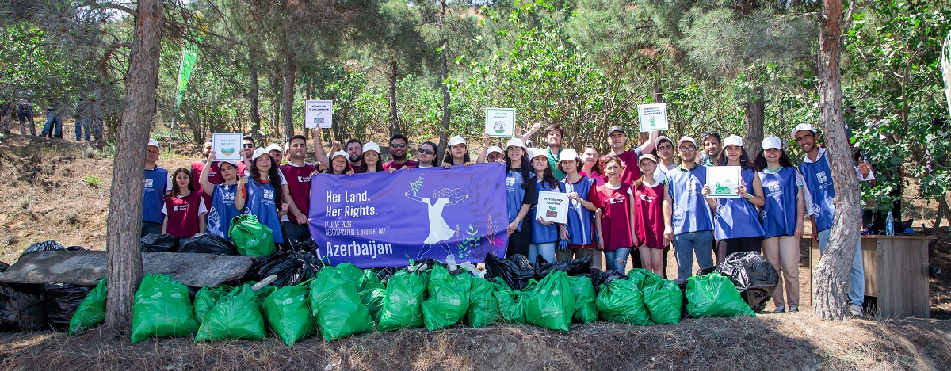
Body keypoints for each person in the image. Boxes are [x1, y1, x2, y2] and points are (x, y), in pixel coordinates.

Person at [794, 123, 866, 316]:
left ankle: (856, 304)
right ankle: (837, 302)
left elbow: (854, 175)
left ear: (815, 137)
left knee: (854, 262)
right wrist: (814, 224)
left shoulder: (832, 154)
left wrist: (864, 173)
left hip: (845, 218)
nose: (804, 142)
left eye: (807, 137)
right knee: (829, 264)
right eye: (799, 139)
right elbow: (809, 197)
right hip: (824, 219)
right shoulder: (801, 169)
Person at [754, 136, 806, 313]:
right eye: (769, 150)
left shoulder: (792, 172)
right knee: (773, 267)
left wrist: (800, 223)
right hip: (768, 226)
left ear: (781, 152)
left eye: (775, 150)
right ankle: (779, 304)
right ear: (763, 153)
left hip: (789, 226)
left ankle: (794, 304)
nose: (772, 153)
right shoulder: (759, 176)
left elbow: (800, 199)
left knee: (790, 267)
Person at [701, 135, 766, 265]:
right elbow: (715, 206)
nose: (733, 151)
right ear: (724, 151)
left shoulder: (751, 173)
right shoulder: (716, 173)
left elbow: (761, 201)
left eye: (737, 148)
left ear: (742, 151)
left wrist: (747, 195)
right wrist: (706, 197)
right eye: (729, 148)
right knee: (727, 272)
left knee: (751, 274)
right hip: (726, 229)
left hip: (750, 230)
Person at [663, 136, 715, 280]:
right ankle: (686, 300)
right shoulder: (671, 175)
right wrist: (668, 226)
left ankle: (708, 300)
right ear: (678, 152)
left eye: (690, 147)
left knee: (707, 268)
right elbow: (667, 201)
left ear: (696, 151)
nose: (687, 151)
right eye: (683, 148)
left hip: (703, 226)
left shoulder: (706, 172)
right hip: (681, 229)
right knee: (684, 269)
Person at [556, 149, 602, 269]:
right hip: (566, 235)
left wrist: (580, 200)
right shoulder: (559, 185)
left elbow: (595, 206)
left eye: (570, 162)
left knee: (583, 273)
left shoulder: (589, 182)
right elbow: (557, 211)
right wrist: (561, 227)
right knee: (563, 270)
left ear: (577, 163)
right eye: (564, 162)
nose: (567, 165)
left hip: (584, 233)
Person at [235, 148, 285, 246]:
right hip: (252, 233)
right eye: (260, 159)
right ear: (255, 163)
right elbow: (239, 206)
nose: (264, 162)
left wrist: (283, 212)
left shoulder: (274, 184)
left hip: (270, 234)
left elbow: (272, 213)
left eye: (267, 159)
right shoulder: (248, 182)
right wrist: (240, 187)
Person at [593, 157, 635, 273]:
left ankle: (620, 291)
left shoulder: (628, 188)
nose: (613, 170)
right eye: (609, 168)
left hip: (624, 237)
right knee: (611, 270)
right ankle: (611, 291)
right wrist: (600, 237)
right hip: (608, 236)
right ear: (604, 171)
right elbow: (598, 215)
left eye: (615, 167)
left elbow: (632, 213)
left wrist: (633, 235)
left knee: (619, 268)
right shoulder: (600, 190)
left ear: (621, 169)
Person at [527, 148, 567, 264]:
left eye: (544, 159)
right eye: (537, 159)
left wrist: (559, 225)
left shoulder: (553, 183)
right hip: (529, 230)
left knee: (547, 269)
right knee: (531, 269)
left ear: (547, 163)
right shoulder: (526, 181)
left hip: (547, 231)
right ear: (531, 162)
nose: (540, 161)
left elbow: (560, 207)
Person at [633, 154, 667, 276]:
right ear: (640, 167)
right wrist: (633, 233)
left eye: (649, 163)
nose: (647, 167)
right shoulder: (635, 187)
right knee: (646, 265)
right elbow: (632, 212)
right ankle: (648, 293)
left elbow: (665, 209)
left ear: (655, 165)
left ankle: (659, 293)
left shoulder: (661, 187)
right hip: (642, 231)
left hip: (657, 230)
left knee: (657, 265)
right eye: (643, 164)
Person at [504, 137, 537, 258]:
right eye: (511, 149)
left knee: (517, 260)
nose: (514, 152)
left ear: (523, 152)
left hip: (519, 225)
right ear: (507, 153)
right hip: (500, 225)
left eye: (517, 148)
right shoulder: (500, 172)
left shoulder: (530, 176)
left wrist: (516, 222)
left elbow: (528, 203)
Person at [280, 135, 317, 243]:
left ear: (306, 149)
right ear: (289, 150)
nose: (299, 147)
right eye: (295, 145)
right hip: (291, 222)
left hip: (311, 223)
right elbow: (284, 194)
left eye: (302, 145)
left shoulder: (312, 170)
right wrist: (298, 214)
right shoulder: (283, 170)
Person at [199, 152, 241, 239]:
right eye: (223, 169)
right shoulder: (217, 189)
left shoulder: (243, 187)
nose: (226, 171)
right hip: (218, 234)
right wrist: (209, 162)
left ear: (236, 170)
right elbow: (203, 182)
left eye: (229, 168)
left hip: (238, 232)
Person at [161, 168, 207, 240]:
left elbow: (201, 218)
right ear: (175, 180)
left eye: (185, 177)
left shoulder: (197, 196)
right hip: (172, 238)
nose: (182, 180)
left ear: (189, 179)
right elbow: (166, 220)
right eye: (179, 178)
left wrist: (201, 236)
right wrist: (163, 238)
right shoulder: (169, 200)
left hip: (192, 238)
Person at [142, 138, 171, 237]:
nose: (151, 153)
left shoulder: (164, 174)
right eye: (148, 150)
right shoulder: (134, 173)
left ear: (158, 154)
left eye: (154, 151)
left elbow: (169, 197)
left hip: (156, 220)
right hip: (135, 220)